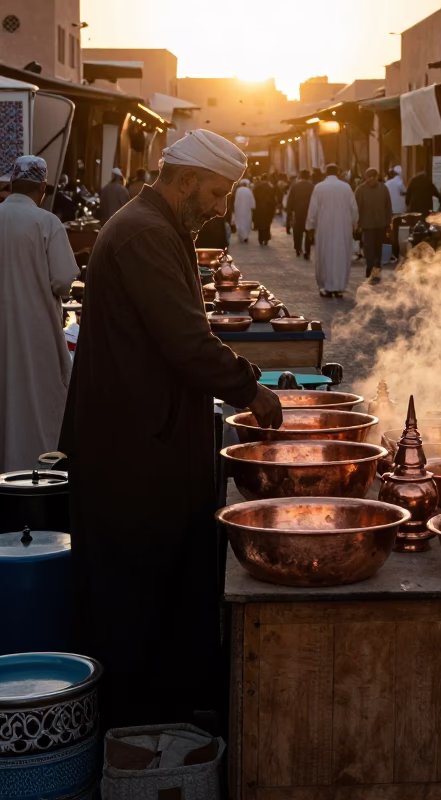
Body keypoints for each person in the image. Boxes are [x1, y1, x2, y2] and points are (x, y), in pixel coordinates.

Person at [59, 129, 283, 730]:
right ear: (184, 180)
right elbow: (186, 341)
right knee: (136, 585)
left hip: (145, 431)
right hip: (133, 443)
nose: (218, 207)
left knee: (160, 579)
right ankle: (137, 724)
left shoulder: (160, 226)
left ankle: (168, 709)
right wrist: (248, 388)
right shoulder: (144, 234)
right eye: (214, 193)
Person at [0, 156, 78, 472]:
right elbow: (63, 281)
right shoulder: (46, 223)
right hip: (35, 336)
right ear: (42, 188)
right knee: (34, 406)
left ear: (11, 184)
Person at [306, 162, 358, 297]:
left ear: (326, 173)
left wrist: (310, 226)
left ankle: (327, 286)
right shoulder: (346, 187)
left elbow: (313, 209)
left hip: (324, 227)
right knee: (341, 255)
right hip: (343, 227)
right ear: (338, 173)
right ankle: (339, 286)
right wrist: (354, 223)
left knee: (325, 255)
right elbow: (354, 208)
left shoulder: (319, 187)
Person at [355, 168, 393, 282]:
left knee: (377, 249)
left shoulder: (383, 189)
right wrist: (357, 223)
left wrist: (388, 222)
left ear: (377, 176)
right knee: (369, 249)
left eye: (373, 176)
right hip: (367, 225)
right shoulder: (360, 190)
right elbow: (356, 208)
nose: (371, 178)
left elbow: (388, 207)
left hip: (381, 224)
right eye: (369, 176)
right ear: (365, 177)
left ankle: (375, 271)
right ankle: (370, 269)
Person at [285, 169, 314, 258]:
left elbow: (290, 200)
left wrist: (289, 212)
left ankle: (298, 248)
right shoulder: (312, 186)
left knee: (297, 231)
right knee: (308, 231)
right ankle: (307, 251)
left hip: (297, 212)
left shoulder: (295, 186)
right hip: (309, 212)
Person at [386, 165, 408, 263]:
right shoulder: (399, 182)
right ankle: (397, 252)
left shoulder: (387, 184)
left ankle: (392, 253)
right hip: (399, 211)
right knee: (398, 233)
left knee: (391, 232)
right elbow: (405, 190)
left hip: (390, 211)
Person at [252, 176, 277, 246]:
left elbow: (253, 197)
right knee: (267, 224)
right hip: (268, 209)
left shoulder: (256, 187)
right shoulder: (270, 187)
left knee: (260, 224)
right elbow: (273, 199)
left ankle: (261, 238)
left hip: (259, 208)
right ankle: (266, 238)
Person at [233, 177, 256, 243]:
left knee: (240, 222)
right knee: (247, 222)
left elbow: (236, 200)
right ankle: (245, 236)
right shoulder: (248, 191)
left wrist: (235, 208)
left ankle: (242, 235)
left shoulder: (238, 190)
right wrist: (253, 206)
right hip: (247, 209)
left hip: (239, 209)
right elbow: (252, 200)